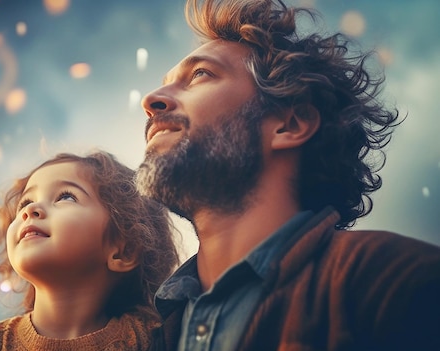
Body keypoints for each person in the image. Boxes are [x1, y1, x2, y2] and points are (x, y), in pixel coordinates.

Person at [135, 0, 440, 350]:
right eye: (165, 83)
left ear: (290, 125)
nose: (151, 99)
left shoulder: (397, 284)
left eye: (201, 74)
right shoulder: (155, 333)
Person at [0, 151, 179, 351]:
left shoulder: (153, 338)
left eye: (66, 197)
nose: (29, 210)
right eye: (25, 202)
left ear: (124, 251)